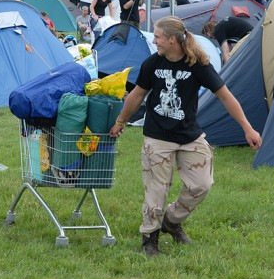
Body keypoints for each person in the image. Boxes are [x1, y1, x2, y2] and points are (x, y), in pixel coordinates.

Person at [109, 16, 261, 256]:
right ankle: (150, 238)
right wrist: (120, 122)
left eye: (158, 37)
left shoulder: (197, 64)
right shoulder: (152, 64)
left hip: (189, 136)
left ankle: (171, 221)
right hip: (157, 137)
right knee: (156, 191)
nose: (155, 41)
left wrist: (247, 128)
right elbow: (137, 95)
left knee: (202, 184)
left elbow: (225, 96)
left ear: (172, 40)